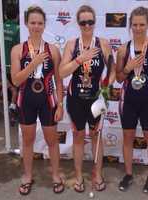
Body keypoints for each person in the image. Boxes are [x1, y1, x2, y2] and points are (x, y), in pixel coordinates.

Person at [59, 5, 115, 193]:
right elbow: (61, 72)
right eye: (83, 22)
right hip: (76, 100)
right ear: (78, 23)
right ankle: (78, 176)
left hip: (95, 100)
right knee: (78, 138)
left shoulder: (103, 44)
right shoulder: (72, 45)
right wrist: (79, 59)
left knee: (96, 137)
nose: (87, 25)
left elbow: (113, 71)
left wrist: (106, 90)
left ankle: (97, 174)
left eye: (90, 21)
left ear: (95, 22)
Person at [11, 6, 64, 195]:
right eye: (32, 22)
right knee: (28, 140)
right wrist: (33, 64)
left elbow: (58, 80)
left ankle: (56, 175)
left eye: (40, 23)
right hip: (26, 100)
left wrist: (60, 104)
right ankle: (27, 176)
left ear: (44, 25)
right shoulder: (18, 50)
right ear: (26, 24)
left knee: (52, 140)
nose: (36, 26)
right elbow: (16, 80)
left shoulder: (53, 50)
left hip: (48, 100)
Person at [116, 6, 148, 193]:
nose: (138, 28)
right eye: (135, 24)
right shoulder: (123, 49)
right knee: (127, 138)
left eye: (142, 24)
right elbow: (119, 78)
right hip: (128, 100)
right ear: (130, 26)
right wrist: (127, 68)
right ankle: (128, 174)